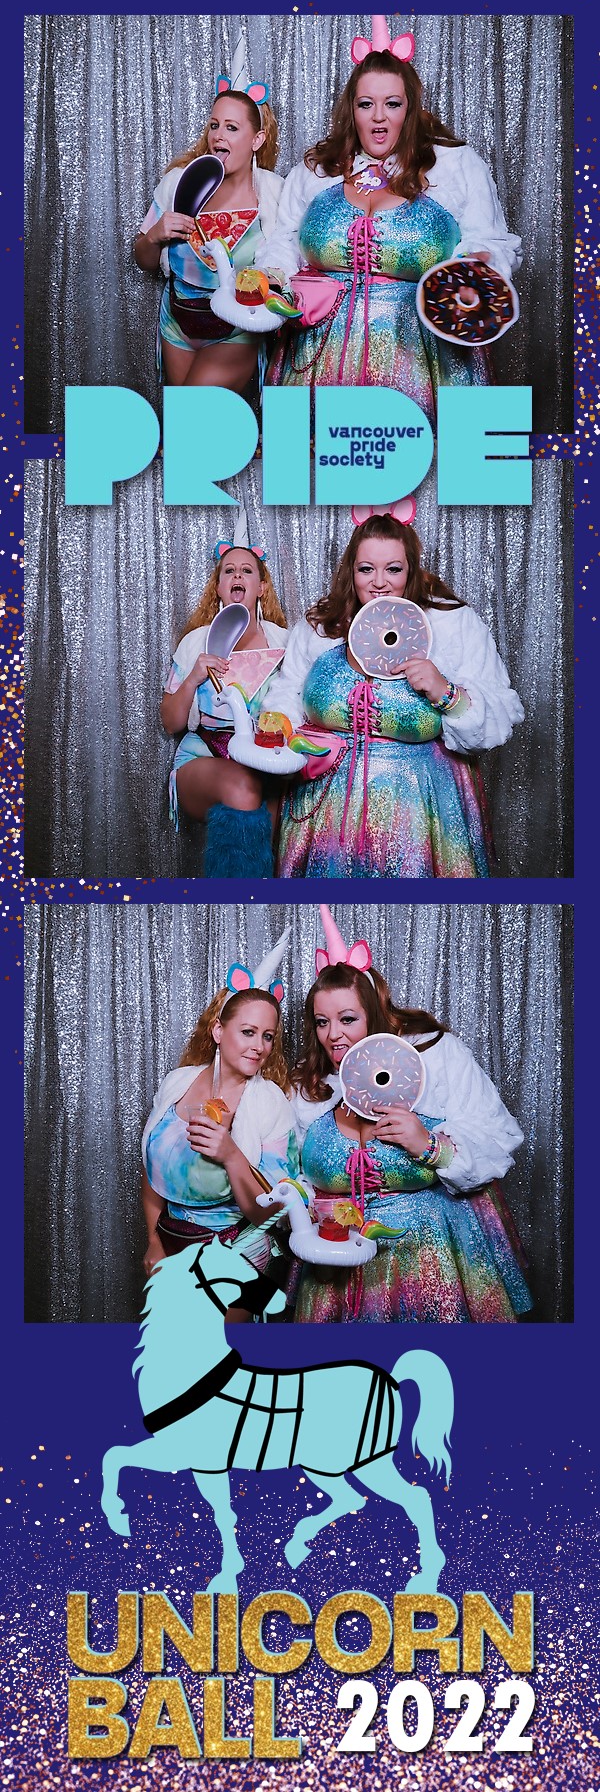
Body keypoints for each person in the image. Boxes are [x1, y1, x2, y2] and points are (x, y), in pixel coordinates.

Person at [258, 16, 521, 421]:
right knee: (315, 457)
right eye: (366, 104)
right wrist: (271, 279)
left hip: (424, 359)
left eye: (392, 104)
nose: (379, 117)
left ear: (410, 109)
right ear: (352, 111)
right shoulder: (316, 171)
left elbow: (489, 242)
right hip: (316, 356)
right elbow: (285, 240)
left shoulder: (453, 165)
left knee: (428, 457)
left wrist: (475, 269)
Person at [290, 907, 533, 1324]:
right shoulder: (310, 1085)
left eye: (347, 1019)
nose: (333, 1035)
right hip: (336, 1265)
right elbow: (291, 1169)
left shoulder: (434, 1055)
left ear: (373, 1013)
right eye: (322, 1022)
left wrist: (430, 1145)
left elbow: (497, 1136)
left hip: (432, 1259)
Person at [262, 507, 523, 878]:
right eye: (366, 569)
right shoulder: (322, 625)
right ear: (351, 571)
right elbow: (289, 688)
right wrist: (278, 724)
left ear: (411, 571)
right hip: (324, 809)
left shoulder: (452, 623)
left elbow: (498, 713)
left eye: (394, 569)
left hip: (423, 809)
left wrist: (446, 692)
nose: (379, 582)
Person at [141, 927, 298, 1319]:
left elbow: (271, 1214)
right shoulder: (177, 1083)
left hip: (236, 1254)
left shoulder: (270, 1103)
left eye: (267, 1036)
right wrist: (154, 1241)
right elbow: (151, 1170)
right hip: (171, 1245)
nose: (259, 1046)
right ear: (218, 1030)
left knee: (220, 1350)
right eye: (248, 1032)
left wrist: (231, 1155)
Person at [135, 36, 284, 394]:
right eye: (215, 125)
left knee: (193, 411)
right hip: (178, 324)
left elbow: (289, 264)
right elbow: (143, 259)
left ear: (257, 139)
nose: (219, 135)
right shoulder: (179, 183)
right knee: (184, 420)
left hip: (237, 329)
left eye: (232, 127)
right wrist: (154, 235)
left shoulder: (275, 194)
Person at [161, 512, 288, 877]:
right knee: (244, 788)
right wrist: (193, 678)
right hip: (203, 755)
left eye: (247, 571)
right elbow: (170, 723)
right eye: (229, 571)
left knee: (282, 801)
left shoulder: (284, 642)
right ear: (218, 587)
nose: (237, 576)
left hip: (265, 761)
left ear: (261, 587)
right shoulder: (196, 642)